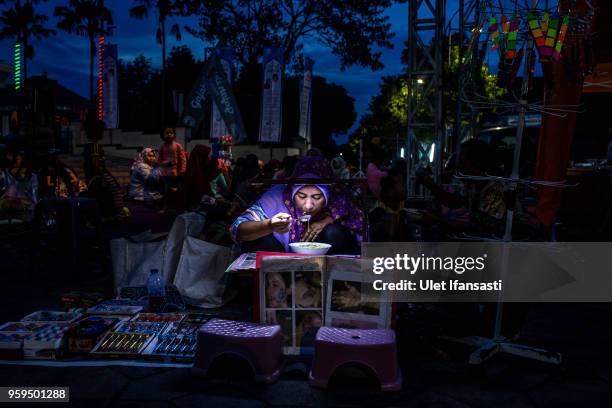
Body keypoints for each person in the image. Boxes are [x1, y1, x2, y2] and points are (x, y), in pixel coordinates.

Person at [231, 156, 363, 255]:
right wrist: (269, 225)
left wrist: (327, 220)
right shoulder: (277, 196)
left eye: (317, 197)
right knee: (263, 238)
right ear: (292, 192)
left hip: (324, 267)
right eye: (301, 196)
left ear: (327, 195)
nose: (308, 206)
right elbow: (238, 229)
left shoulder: (339, 199)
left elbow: (358, 223)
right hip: (280, 266)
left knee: (333, 232)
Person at [177, 144, 213, 212]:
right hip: (196, 211)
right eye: (207, 156)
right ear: (202, 157)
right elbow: (198, 197)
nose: (209, 158)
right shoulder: (195, 175)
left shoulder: (200, 171)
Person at [158, 127, 187, 209]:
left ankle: (178, 207)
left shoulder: (178, 146)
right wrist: (168, 163)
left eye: (171, 133)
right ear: (163, 135)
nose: (169, 135)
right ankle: (166, 207)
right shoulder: (162, 147)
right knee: (167, 191)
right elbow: (159, 161)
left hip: (177, 173)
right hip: (166, 173)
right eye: (167, 133)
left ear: (174, 135)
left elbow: (183, 159)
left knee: (178, 190)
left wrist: (182, 170)